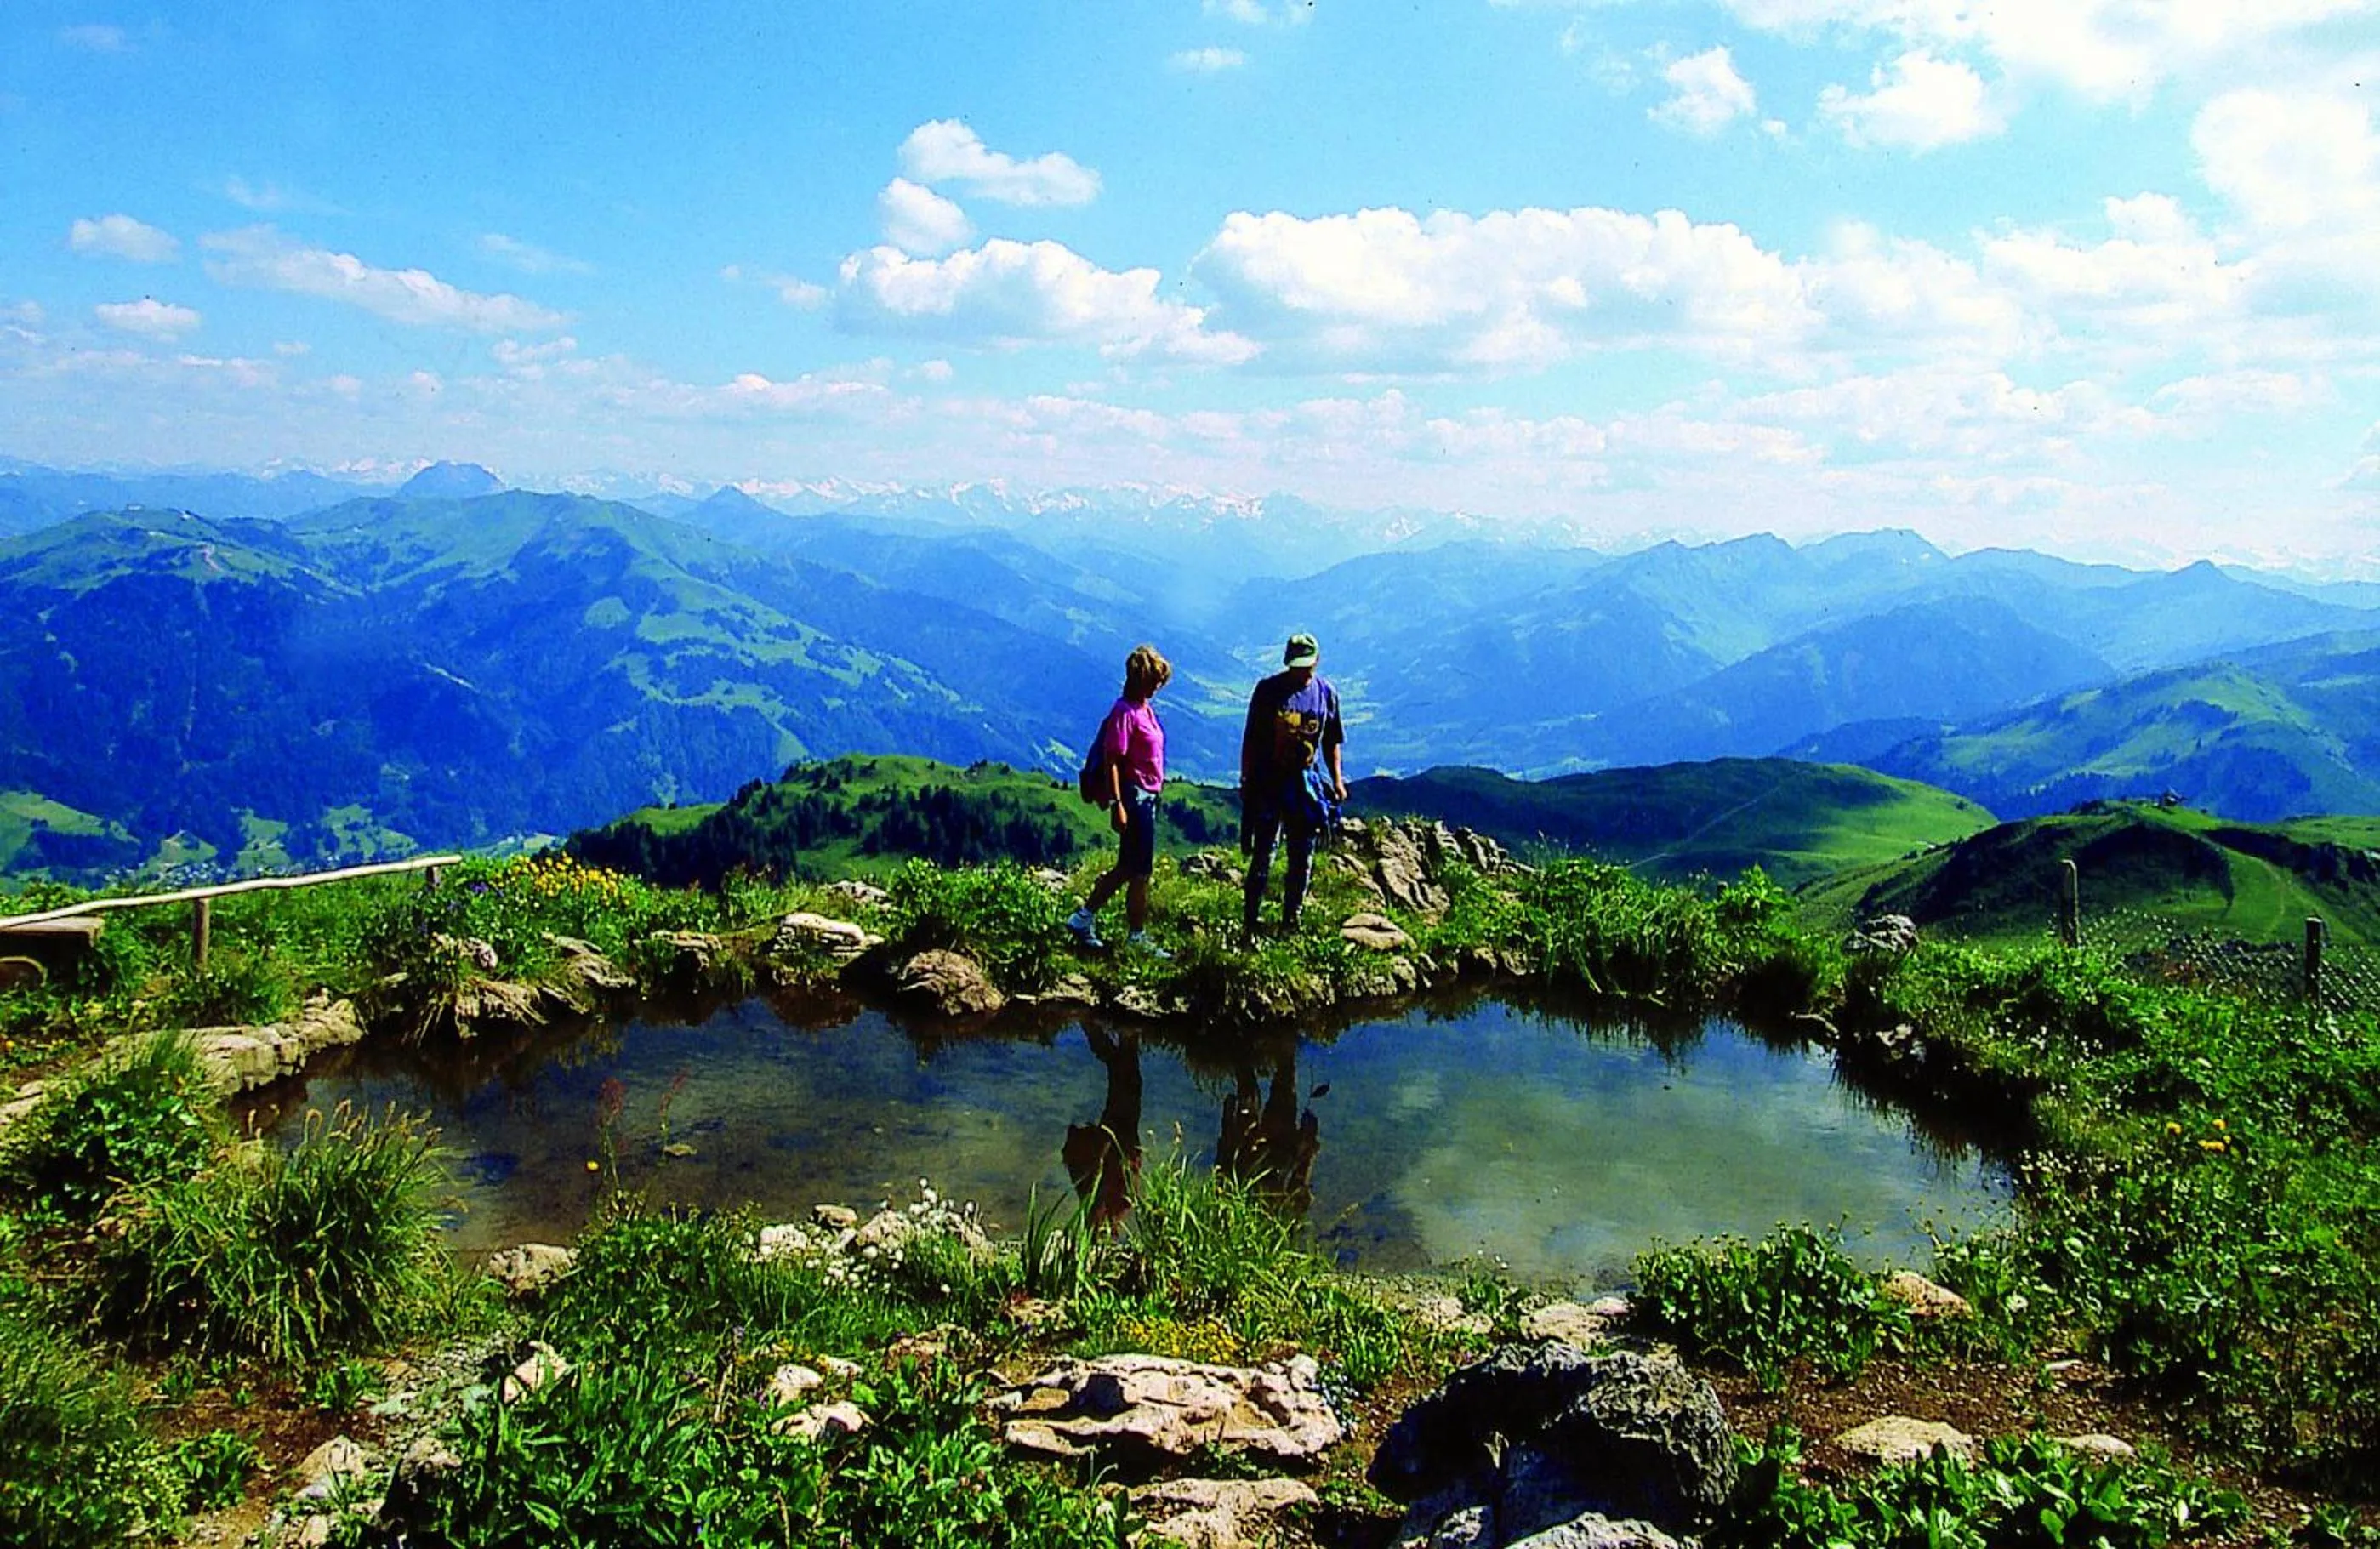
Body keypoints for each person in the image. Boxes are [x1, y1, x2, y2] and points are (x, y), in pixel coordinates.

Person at [1066, 644, 1171, 955]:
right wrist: (1118, 805)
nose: (1158, 686)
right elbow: (1112, 760)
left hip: (1146, 795)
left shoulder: (1143, 708)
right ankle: (1136, 935)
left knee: (1127, 867)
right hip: (1135, 796)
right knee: (1140, 872)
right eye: (1154, 680)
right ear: (1140, 678)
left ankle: (1083, 918)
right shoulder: (1124, 713)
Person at [1240, 631, 1346, 940]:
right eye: (1297, 666)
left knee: (1303, 854)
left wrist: (1337, 780)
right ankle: (1251, 920)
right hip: (1268, 782)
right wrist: (1246, 777)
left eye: (1306, 665)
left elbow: (1331, 741)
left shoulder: (1326, 693)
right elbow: (1251, 738)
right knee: (1265, 853)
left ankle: (1291, 920)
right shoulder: (1268, 691)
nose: (1302, 671)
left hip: (1305, 785)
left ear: (1317, 661)